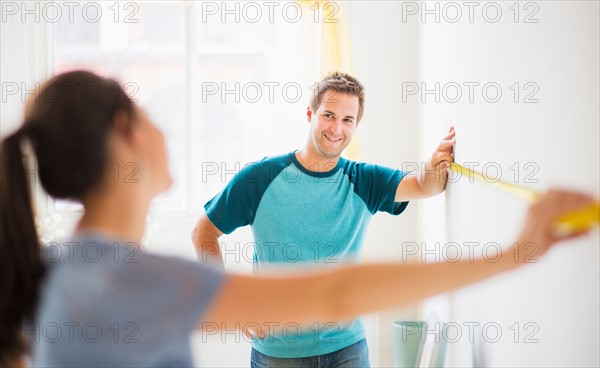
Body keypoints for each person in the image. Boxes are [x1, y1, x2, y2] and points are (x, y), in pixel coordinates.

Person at [0, 70, 593, 367]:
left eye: (349, 120)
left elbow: (414, 194)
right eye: (148, 114)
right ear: (125, 135)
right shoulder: (130, 279)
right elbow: (336, 292)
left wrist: (439, 168)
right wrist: (516, 254)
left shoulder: (66, 268)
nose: (338, 128)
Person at [192, 72, 456, 366]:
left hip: (347, 347)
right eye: (329, 115)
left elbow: (423, 185)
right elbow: (203, 232)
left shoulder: (362, 180)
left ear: (356, 125)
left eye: (347, 119)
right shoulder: (261, 178)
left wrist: (435, 163)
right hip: (279, 353)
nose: (336, 128)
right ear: (310, 114)